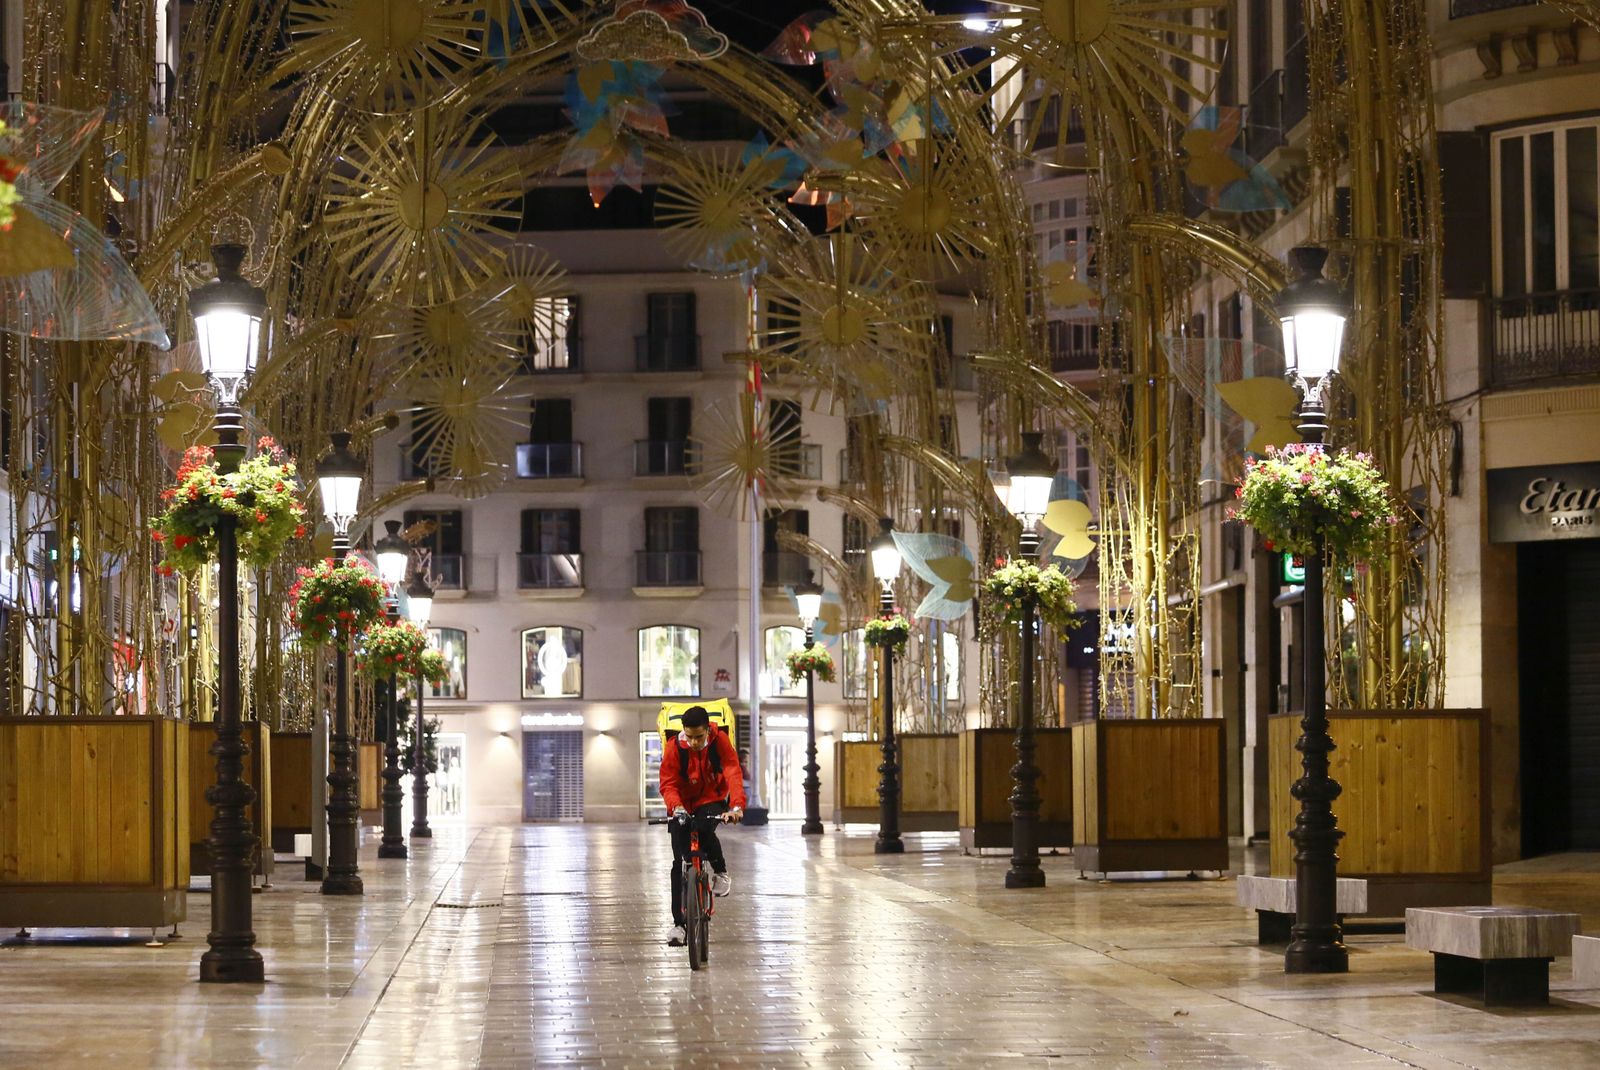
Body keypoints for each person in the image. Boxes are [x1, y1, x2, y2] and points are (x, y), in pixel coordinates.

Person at [658, 705, 746, 947]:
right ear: (683, 731)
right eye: (689, 736)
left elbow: (732, 772)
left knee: (706, 826)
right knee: (679, 862)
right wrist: (676, 807)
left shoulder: (720, 742)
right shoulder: (675, 747)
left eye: (699, 736)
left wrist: (736, 807)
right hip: (681, 804)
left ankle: (721, 871)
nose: (694, 742)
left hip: (711, 798)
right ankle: (679, 925)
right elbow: (668, 782)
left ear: (707, 729)